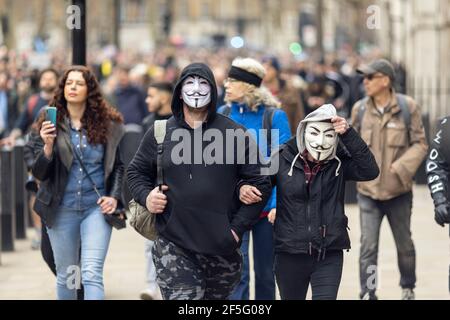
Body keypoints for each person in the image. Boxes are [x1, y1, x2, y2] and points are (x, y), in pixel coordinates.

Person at [127, 62, 272, 300]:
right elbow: (135, 173)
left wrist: (237, 229)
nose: (196, 89)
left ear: (213, 91)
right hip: (174, 245)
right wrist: (147, 197)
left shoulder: (235, 134)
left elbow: (261, 183)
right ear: (179, 91)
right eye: (189, 83)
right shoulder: (160, 132)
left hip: (222, 248)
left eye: (203, 83)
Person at [240, 104, 378, 300]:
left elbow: (370, 170)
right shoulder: (281, 158)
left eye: (329, 136)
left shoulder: (339, 162)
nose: (321, 142)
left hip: (328, 251)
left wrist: (348, 134)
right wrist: (236, 224)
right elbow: (258, 189)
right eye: (315, 133)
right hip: (289, 253)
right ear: (304, 132)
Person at [29, 65, 125, 300]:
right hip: (61, 209)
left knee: (91, 272)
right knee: (68, 275)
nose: (73, 87)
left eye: (79, 83)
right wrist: (48, 146)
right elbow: (39, 173)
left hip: (95, 208)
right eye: (69, 83)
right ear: (62, 88)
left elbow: (119, 166)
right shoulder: (47, 122)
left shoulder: (108, 124)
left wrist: (114, 196)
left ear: (89, 90)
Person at [352, 59, 428, 300]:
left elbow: (420, 143)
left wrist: (401, 167)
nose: (365, 82)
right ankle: (369, 291)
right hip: (368, 192)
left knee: (404, 245)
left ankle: (408, 287)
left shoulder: (408, 107)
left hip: (399, 192)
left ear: (385, 80)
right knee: (369, 246)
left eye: (369, 77)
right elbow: (350, 144)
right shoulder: (360, 109)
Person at [218, 57, 291, 300]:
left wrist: (277, 204)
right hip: (233, 210)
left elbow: (284, 166)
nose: (226, 85)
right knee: (236, 274)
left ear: (248, 86)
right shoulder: (222, 114)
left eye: (232, 81)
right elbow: (217, 165)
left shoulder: (274, 118)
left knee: (266, 274)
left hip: (266, 211)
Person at [1, 68, 59, 251]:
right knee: (35, 190)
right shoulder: (33, 101)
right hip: (35, 150)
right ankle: (38, 232)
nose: (48, 81)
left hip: (58, 152)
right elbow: (21, 123)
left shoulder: (62, 100)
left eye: (51, 78)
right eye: (45, 77)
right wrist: (13, 136)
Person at [139, 82, 173, 300]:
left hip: (177, 189)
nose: (147, 100)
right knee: (150, 241)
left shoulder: (179, 122)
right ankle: (152, 285)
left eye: (151, 96)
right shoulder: (147, 123)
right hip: (154, 189)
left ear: (164, 97)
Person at [262, 56, 305, 135]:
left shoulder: (290, 90)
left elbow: (298, 116)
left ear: (276, 70)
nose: (264, 72)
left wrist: (297, 139)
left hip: (287, 137)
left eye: (268, 69)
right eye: (262, 69)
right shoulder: (258, 92)